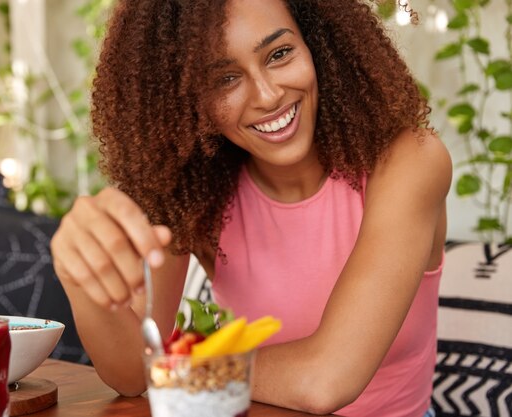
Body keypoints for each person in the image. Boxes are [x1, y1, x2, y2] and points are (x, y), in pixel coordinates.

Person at [50, 0, 451, 416]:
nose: (268, 95)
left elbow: (325, 380)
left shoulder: (411, 160)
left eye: (279, 54)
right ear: (186, 98)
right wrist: (80, 277)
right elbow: (132, 374)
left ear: (317, 42)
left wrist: (174, 365)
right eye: (224, 79)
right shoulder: (195, 192)